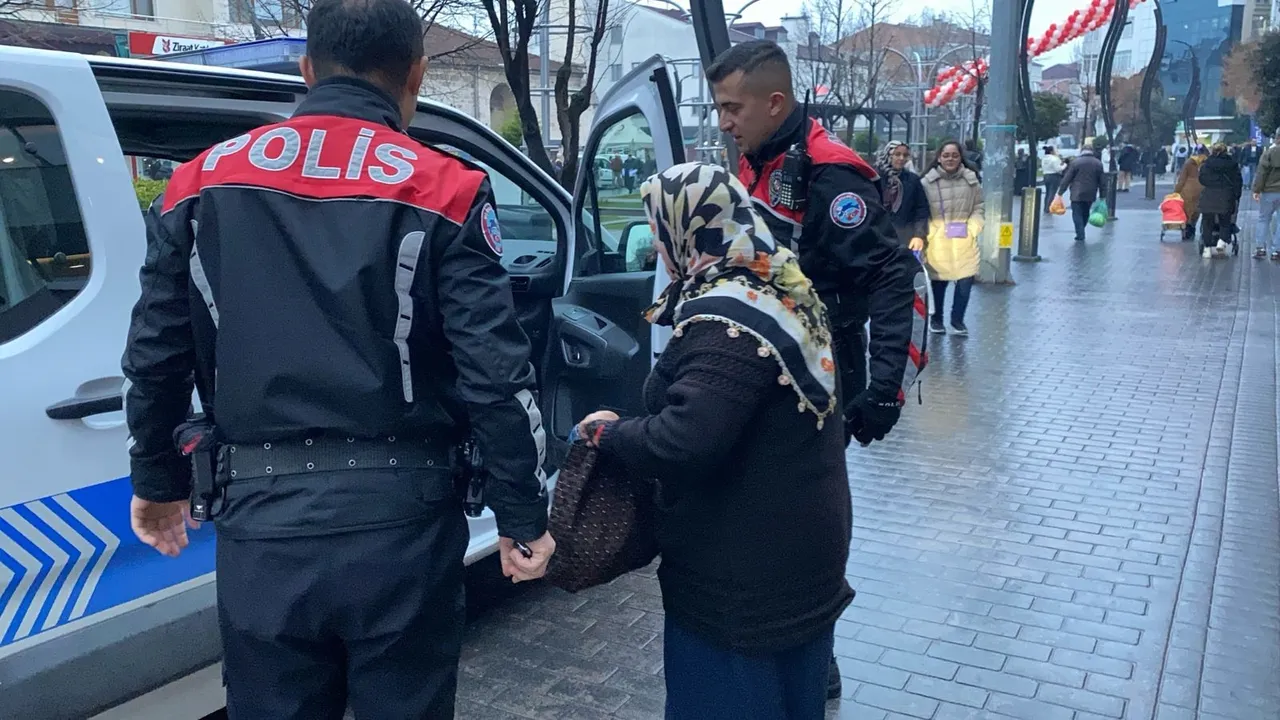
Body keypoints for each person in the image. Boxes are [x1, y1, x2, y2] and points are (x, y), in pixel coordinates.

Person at [120, 0, 556, 716]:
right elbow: (496, 374)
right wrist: (520, 511)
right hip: (404, 527)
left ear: (305, 68)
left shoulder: (197, 182)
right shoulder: (446, 187)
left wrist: (156, 478)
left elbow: (156, 353)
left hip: (260, 524)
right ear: (416, 73)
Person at [576, 163, 853, 720]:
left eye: (658, 232)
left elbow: (685, 441)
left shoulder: (725, 316)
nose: (656, 248)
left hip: (741, 582)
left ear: (690, 227)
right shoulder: (779, 288)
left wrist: (607, 433)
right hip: (802, 554)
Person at [705, 39, 921, 701]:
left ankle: (814, 647)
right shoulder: (761, 162)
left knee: (812, 520)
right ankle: (779, 638)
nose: (723, 121)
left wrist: (886, 388)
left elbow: (896, 278)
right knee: (763, 515)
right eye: (718, 108)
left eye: (732, 107)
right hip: (763, 378)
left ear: (776, 102)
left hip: (818, 384)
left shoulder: (831, 174)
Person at [921, 140, 984, 336]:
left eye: (954, 155)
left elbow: (979, 207)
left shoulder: (971, 180)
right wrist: (931, 232)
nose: (950, 159)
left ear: (960, 157)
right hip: (937, 241)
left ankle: (958, 321)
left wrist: (973, 228)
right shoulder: (926, 182)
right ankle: (936, 319)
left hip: (964, 239)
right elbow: (920, 211)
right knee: (938, 283)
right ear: (939, 157)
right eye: (946, 155)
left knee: (965, 282)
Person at [876, 141, 930, 253]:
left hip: (905, 237)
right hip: (877, 237)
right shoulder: (875, 178)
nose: (901, 158)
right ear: (888, 155)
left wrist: (919, 235)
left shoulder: (912, 180)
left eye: (905, 155)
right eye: (897, 154)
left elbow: (921, 209)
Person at [1196, 142, 1243, 259]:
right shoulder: (1232, 164)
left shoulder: (1207, 164)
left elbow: (1202, 179)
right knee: (1225, 221)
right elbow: (1238, 181)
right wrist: (1236, 195)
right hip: (1226, 195)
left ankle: (1207, 249)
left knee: (1207, 222)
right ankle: (1222, 241)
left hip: (1209, 195)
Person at [1055, 140, 1106, 242]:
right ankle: (1081, 229)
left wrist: (1060, 192)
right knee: (1086, 212)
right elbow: (1102, 182)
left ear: (1082, 151)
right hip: (1091, 193)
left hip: (1076, 193)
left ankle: (1080, 233)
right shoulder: (1098, 163)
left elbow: (1067, 178)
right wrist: (1102, 195)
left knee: (1076, 213)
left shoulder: (1076, 162)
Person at [1253, 128, 1280, 260]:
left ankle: (1260, 248)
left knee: (1263, 219)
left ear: (1277, 137)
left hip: (1269, 191)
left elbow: (1261, 173)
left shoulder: (1268, 153)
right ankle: (1277, 250)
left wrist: (1256, 190)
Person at [1175, 145, 1209, 242]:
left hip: (1187, 190)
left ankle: (1186, 230)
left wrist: (1176, 191)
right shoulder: (1207, 163)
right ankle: (1193, 227)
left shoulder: (1188, 163)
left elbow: (1182, 179)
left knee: (1186, 211)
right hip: (1202, 189)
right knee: (1196, 211)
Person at [1041, 145, 1065, 214]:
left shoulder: (1044, 158)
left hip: (1046, 175)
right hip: (1054, 176)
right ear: (1052, 151)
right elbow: (1058, 169)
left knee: (1048, 193)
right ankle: (1049, 208)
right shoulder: (1054, 158)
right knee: (1052, 193)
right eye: (1055, 150)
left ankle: (1045, 207)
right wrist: (1065, 165)